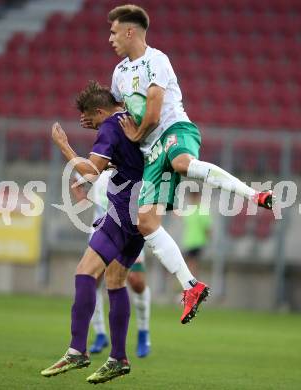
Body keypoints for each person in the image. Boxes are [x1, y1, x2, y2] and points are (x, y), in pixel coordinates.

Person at [105, 4, 274, 324]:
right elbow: (116, 114)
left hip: (174, 131)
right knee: (146, 222)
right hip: (151, 151)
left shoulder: (157, 61)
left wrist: (133, 136)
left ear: (130, 31)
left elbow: (152, 114)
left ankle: (253, 195)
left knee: (181, 161)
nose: (110, 38)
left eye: (114, 31)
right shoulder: (119, 73)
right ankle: (191, 286)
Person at [41, 81, 145, 384]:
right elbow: (122, 155)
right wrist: (100, 128)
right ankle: (118, 358)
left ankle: (77, 350)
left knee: (85, 272)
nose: (92, 125)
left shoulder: (111, 128)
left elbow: (89, 172)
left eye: (92, 118)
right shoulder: (130, 120)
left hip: (122, 211)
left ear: (100, 111)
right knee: (115, 280)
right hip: (142, 211)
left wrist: (64, 145)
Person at [72, 170, 151, 357]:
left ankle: (143, 332)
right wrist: (83, 199)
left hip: (129, 232)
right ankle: (100, 333)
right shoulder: (98, 163)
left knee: (136, 281)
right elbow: (76, 180)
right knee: (94, 279)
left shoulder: (131, 162)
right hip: (102, 231)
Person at [182, 191, 212, 279]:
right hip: (188, 242)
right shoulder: (189, 210)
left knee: (192, 264)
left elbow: (208, 228)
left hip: (198, 242)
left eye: (195, 196)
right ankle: (191, 286)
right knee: (189, 265)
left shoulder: (202, 210)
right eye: (192, 196)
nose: (193, 198)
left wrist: (208, 241)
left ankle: (192, 286)